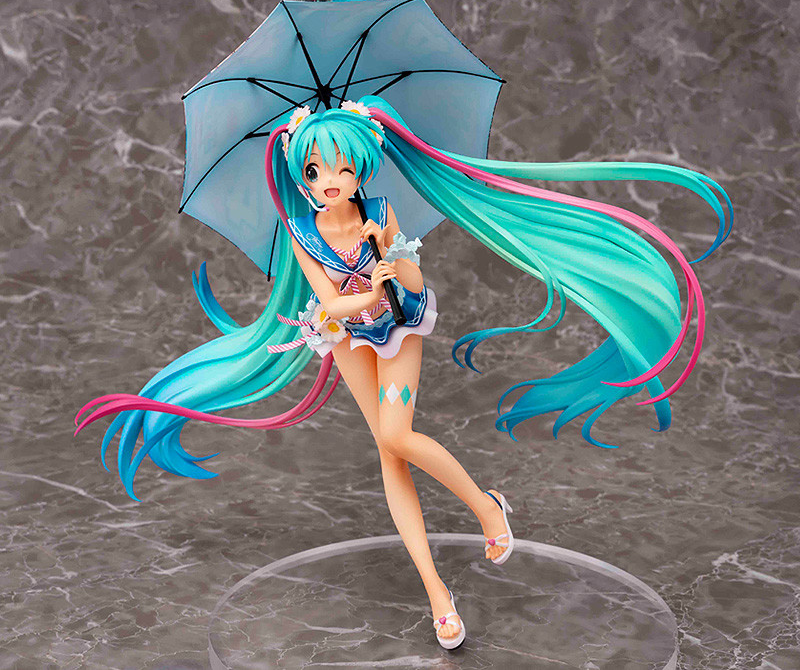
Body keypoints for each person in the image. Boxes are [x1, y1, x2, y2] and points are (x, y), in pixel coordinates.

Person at [75, 96, 732, 650]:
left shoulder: (379, 214)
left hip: (398, 331)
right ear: (301, 174)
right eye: (316, 169)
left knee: (396, 437)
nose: (330, 180)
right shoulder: (301, 232)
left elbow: (412, 286)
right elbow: (328, 304)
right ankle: (438, 592)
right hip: (348, 338)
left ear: (361, 166)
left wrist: (394, 265)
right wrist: (365, 292)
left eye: (342, 167)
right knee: (390, 454)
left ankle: (485, 507)